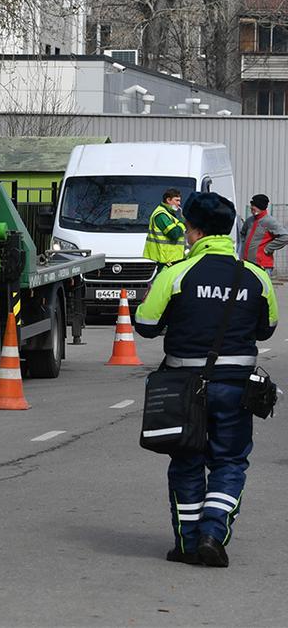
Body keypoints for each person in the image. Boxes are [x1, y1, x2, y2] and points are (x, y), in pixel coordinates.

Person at [135, 191, 277, 568]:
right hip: (237, 388)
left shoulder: (175, 274)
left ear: (193, 231)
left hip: (185, 387)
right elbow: (267, 329)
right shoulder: (255, 276)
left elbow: (146, 325)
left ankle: (186, 543)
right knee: (230, 463)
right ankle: (214, 535)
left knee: (186, 461)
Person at [238, 194, 288, 275]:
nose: (251, 207)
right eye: (251, 205)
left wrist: (268, 248)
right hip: (247, 264)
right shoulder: (249, 220)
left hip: (262, 265)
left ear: (260, 207)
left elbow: (285, 237)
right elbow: (242, 234)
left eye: (253, 205)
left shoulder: (270, 221)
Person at [143, 188, 186, 269]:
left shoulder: (168, 213)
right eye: (176, 200)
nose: (179, 203)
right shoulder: (161, 215)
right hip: (167, 259)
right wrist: (182, 222)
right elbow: (174, 234)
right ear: (168, 200)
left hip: (172, 258)